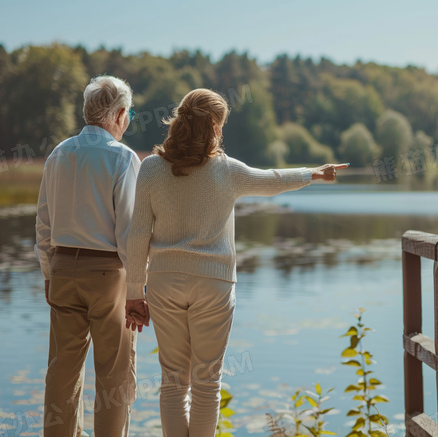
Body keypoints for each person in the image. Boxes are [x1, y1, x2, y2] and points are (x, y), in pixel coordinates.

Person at [125, 88, 347, 437]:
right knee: (206, 383)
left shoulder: (151, 168)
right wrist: (315, 173)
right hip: (214, 285)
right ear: (213, 125)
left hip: (165, 283)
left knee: (172, 383)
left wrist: (134, 292)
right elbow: (273, 180)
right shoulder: (226, 171)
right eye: (221, 125)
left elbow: (136, 234)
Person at [35, 75, 144, 437]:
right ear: (120, 115)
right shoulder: (124, 159)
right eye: (127, 115)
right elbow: (130, 232)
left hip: (63, 267)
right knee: (114, 373)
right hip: (109, 273)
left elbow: (44, 223)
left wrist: (49, 273)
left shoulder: (59, 153)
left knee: (62, 369)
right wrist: (138, 290)